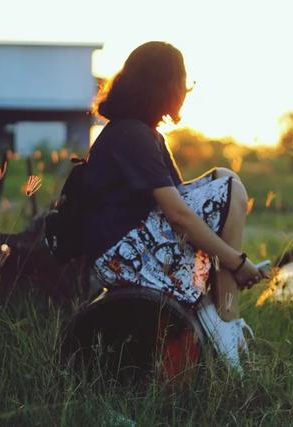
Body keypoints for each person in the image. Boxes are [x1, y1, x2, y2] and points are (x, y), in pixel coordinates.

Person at [85, 41, 266, 374]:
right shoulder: (131, 135)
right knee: (227, 186)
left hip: (133, 245)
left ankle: (223, 310)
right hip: (120, 256)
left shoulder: (144, 134)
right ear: (165, 86)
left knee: (224, 176)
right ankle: (227, 318)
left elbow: (182, 201)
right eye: (180, 84)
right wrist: (236, 261)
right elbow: (179, 216)